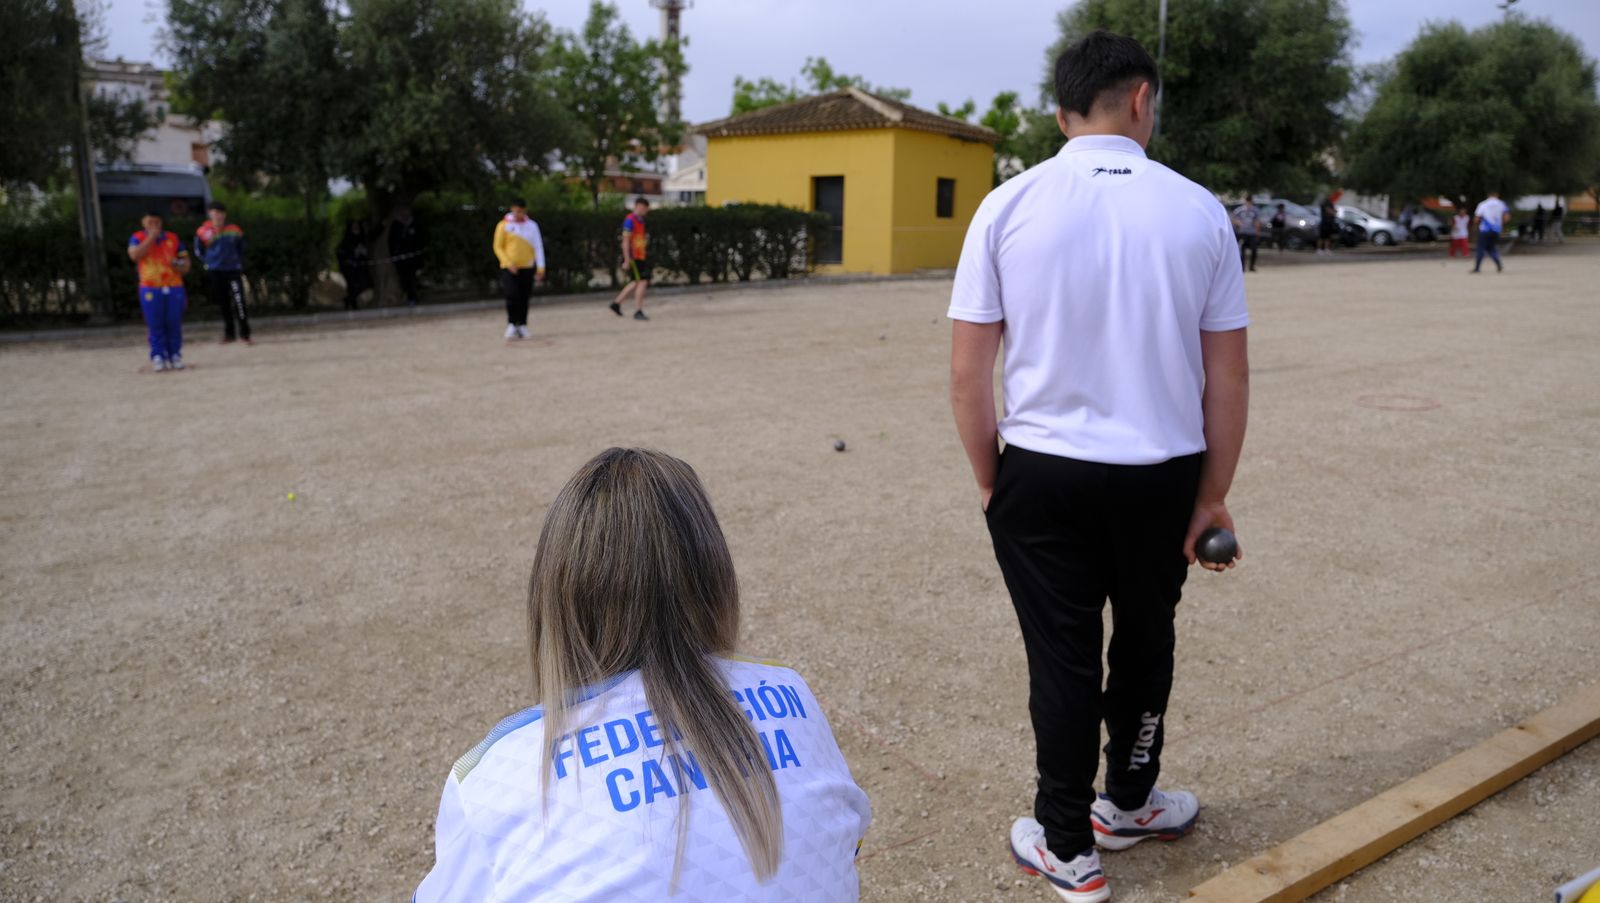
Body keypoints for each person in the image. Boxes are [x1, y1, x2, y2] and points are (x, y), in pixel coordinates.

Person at [948, 30, 1248, 903]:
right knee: (1147, 640)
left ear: (1060, 112)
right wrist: (1213, 494)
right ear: (1143, 99)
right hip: (1163, 472)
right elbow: (1226, 373)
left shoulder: (1008, 205)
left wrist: (989, 478)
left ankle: (1070, 844)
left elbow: (971, 372)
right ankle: (1127, 798)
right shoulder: (1197, 210)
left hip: (1042, 470)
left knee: (1064, 659)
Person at [414, 448, 872, 901]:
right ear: (714, 575)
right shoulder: (789, 692)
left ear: (555, 596)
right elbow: (845, 842)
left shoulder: (497, 773)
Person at [128, 210, 191, 372]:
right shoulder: (137, 238)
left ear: (161, 222)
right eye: (150, 222)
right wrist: (151, 238)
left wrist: (179, 265)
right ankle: (158, 356)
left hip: (174, 286)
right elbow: (134, 256)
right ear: (144, 223)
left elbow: (186, 264)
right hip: (150, 287)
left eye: (156, 222)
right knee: (155, 323)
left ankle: (175, 354)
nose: (154, 226)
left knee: (173, 322)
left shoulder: (173, 238)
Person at [193, 202, 250, 344]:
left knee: (239, 301)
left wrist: (237, 261)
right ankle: (229, 334)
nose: (218, 215)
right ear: (210, 214)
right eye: (214, 212)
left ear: (225, 214)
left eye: (220, 212)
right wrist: (209, 262)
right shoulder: (203, 231)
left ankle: (245, 334)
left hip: (233, 271)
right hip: (216, 271)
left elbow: (242, 248)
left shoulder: (234, 229)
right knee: (224, 303)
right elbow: (199, 251)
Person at [492, 198, 546, 340]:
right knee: (511, 294)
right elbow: (498, 247)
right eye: (515, 210)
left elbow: (538, 246)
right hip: (509, 268)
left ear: (524, 211)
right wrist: (508, 262)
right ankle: (511, 323)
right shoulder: (503, 225)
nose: (517, 213)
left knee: (524, 296)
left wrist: (541, 267)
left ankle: (522, 324)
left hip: (527, 267)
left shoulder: (532, 226)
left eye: (520, 211)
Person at [610, 197, 652, 321]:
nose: (646, 211)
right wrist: (627, 259)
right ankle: (638, 311)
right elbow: (625, 241)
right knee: (642, 282)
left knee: (636, 282)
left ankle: (616, 303)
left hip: (640, 255)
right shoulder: (630, 221)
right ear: (639, 206)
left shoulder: (640, 221)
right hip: (634, 257)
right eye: (645, 208)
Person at [389, 206, 425, 306]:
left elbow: (421, 239)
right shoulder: (396, 225)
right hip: (401, 259)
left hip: (413, 258)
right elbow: (392, 242)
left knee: (413, 279)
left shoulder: (415, 224)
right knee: (405, 280)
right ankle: (410, 297)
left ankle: (414, 297)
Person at [336, 221, 372, 310]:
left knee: (365, 284)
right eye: (354, 226)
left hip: (361, 267)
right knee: (352, 286)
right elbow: (341, 253)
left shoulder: (363, 237)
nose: (356, 228)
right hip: (349, 268)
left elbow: (372, 237)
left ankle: (348, 300)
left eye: (357, 226)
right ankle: (353, 304)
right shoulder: (346, 240)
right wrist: (351, 257)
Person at [1472, 191, 1510, 274]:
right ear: (1497, 195)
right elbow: (1507, 217)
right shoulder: (1501, 204)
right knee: (1492, 248)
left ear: (1488, 195)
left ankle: (1477, 267)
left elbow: (1477, 218)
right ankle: (1498, 263)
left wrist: (1477, 226)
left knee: (1481, 249)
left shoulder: (1483, 204)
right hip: (1496, 230)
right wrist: (1500, 225)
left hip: (1485, 230)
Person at [1232, 197, 1261, 271]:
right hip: (1242, 233)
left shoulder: (1255, 210)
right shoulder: (1239, 210)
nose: (1248, 204)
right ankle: (1242, 267)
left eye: (1249, 203)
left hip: (1252, 233)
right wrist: (1239, 223)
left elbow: (1257, 221)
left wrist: (1257, 232)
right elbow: (1233, 219)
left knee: (1254, 249)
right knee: (1242, 249)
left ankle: (1252, 266)